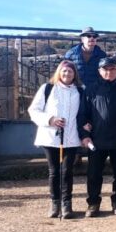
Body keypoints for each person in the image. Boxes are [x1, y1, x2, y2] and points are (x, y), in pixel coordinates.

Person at [77, 57, 116, 217]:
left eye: (113, 69)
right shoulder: (91, 89)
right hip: (97, 139)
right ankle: (93, 203)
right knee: (94, 174)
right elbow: (83, 115)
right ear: (100, 71)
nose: (109, 72)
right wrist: (85, 135)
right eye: (105, 69)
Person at [28, 60, 83, 219]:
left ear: (74, 74)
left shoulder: (80, 90)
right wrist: (50, 120)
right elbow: (34, 110)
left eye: (70, 72)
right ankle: (55, 202)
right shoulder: (47, 88)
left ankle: (67, 204)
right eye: (64, 71)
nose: (67, 74)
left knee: (67, 171)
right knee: (54, 172)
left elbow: (83, 112)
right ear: (59, 72)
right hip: (51, 136)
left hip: (71, 136)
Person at [64, 26, 107, 91]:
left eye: (94, 36)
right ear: (82, 39)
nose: (92, 38)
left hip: (95, 91)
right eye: (89, 36)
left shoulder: (102, 55)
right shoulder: (71, 54)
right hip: (75, 90)